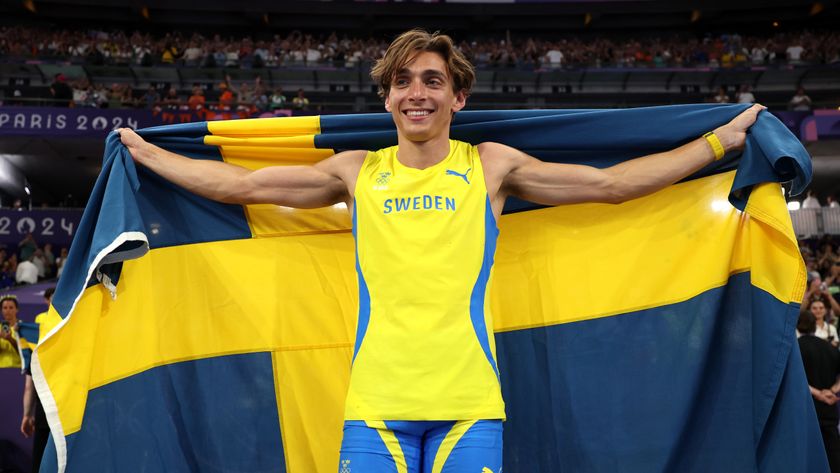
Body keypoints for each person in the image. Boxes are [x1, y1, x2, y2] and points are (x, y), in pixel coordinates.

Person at [118, 29, 764, 472]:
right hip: (374, 405)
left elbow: (613, 185)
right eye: (403, 82)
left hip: (468, 405)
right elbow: (244, 185)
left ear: (458, 97)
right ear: (388, 97)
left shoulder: (488, 166)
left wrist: (719, 144)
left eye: (431, 80)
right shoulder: (355, 171)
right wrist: (148, 155)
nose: (416, 92)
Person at [797, 309, 840, 472]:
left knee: (808, 454)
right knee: (834, 454)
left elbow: (797, 380)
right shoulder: (830, 348)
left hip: (806, 409)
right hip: (829, 409)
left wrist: (819, 393)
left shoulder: (796, 350)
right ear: (815, 325)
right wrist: (831, 390)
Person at [22, 287, 59, 473]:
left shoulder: (37, 354)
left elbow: (30, 387)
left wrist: (27, 415)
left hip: (49, 411)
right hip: (63, 411)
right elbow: (29, 387)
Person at [0, 295, 20, 368]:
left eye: (11, 307)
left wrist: (10, 339)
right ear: (1, 310)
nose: (8, 310)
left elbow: (26, 352)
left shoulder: (22, 327)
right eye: (5, 308)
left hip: (18, 368)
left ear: (17, 309)